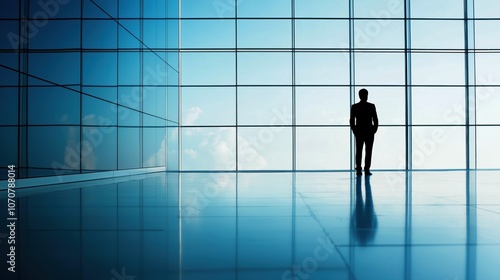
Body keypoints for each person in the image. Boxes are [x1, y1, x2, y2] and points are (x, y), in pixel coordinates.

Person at [350, 88, 378, 176]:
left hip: (359, 131)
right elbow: (375, 119)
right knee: (368, 151)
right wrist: (374, 129)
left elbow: (351, 120)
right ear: (366, 95)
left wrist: (354, 130)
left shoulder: (355, 107)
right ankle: (366, 169)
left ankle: (358, 169)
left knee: (359, 151)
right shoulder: (371, 106)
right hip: (369, 131)